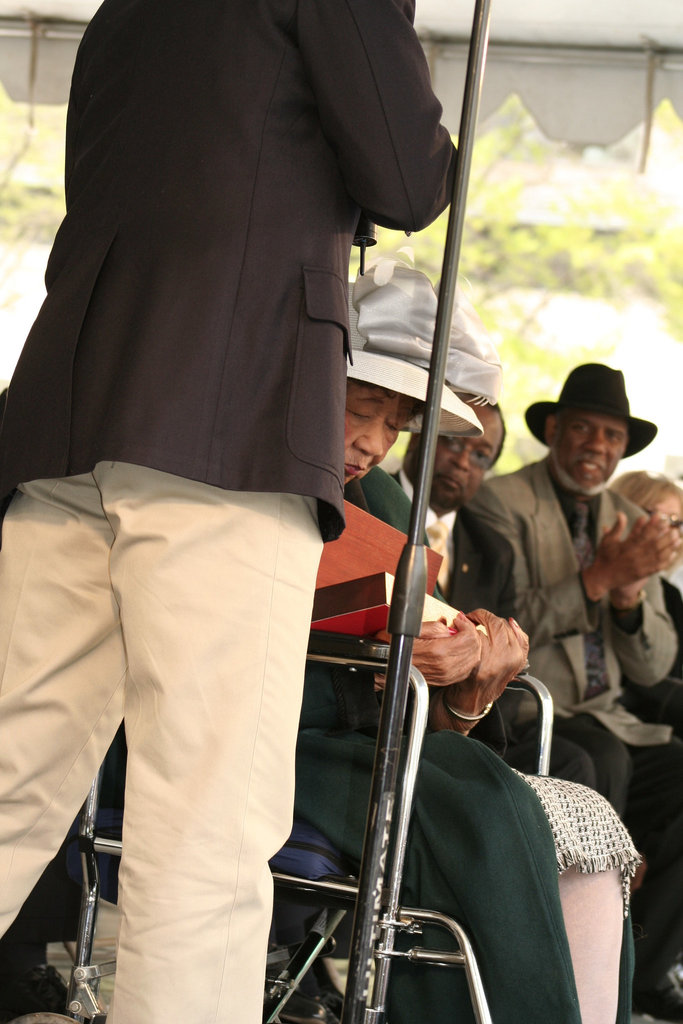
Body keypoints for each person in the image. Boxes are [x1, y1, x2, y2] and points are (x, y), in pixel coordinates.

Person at [0, 3, 466, 1021]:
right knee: (204, 817)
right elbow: (408, 173)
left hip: (70, 412)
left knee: (10, 782)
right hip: (230, 418)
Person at [296, 265, 640, 1024]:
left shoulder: (388, 498)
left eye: (395, 426)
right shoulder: (254, 481)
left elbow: (425, 711)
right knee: (482, 810)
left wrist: (470, 688)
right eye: (362, 408)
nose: (372, 441)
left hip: (380, 744)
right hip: (279, 741)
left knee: (578, 813)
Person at [470, 363, 683, 1020]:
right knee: (599, 760)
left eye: (611, 435)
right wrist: (594, 579)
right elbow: (494, 621)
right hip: (523, 709)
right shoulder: (497, 502)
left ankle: (642, 972)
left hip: (606, 714)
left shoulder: (626, 515)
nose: (596, 446)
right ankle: (572, 968)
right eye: (583, 429)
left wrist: (624, 599)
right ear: (554, 430)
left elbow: (651, 668)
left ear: (623, 448)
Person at [397, 388, 598, 784]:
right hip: (387, 709)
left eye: (481, 455)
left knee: (577, 763)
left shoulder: (492, 549)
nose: (463, 461)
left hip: (467, 717)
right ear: (418, 432)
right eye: (453, 440)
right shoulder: (369, 500)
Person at [610, 470, 683, 736]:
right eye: (654, 515)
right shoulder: (601, 571)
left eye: (675, 522)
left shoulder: (670, 594)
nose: (666, 530)